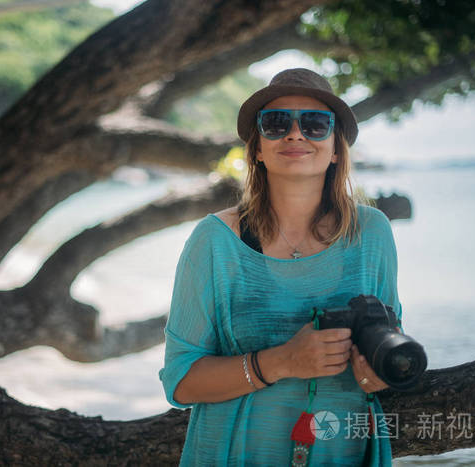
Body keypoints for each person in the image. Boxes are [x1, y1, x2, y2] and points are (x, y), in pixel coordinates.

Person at [159, 68, 401, 466]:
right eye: (275, 123)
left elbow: (392, 347)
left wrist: (376, 372)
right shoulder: (216, 241)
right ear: (256, 147)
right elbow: (180, 382)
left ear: (336, 147)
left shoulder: (372, 232)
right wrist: (283, 361)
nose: (294, 134)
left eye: (315, 123)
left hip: (343, 453)